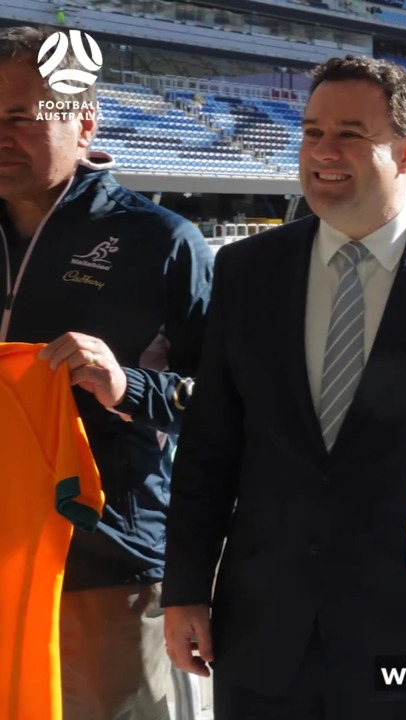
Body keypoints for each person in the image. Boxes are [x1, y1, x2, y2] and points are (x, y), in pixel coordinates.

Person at [161, 55, 406, 718]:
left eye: (350, 134)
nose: (324, 152)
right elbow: (209, 447)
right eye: (312, 133)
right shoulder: (247, 271)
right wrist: (185, 589)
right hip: (261, 638)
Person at [0, 26, 214, 720]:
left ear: (84, 121)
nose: (0, 136)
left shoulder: (160, 242)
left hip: (104, 568)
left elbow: (222, 405)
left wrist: (127, 386)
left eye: (20, 117)